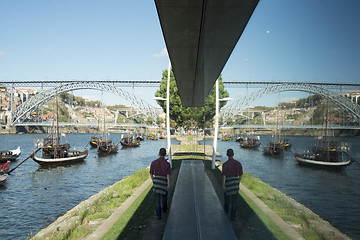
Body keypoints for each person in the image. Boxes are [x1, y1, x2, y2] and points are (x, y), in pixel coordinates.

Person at [150, 148, 171, 219]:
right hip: (164, 181)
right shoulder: (167, 164)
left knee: (157, 200)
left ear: (159, 153)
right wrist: (168, 184)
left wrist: (153, 180)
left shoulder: (154, 162)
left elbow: (151, 173)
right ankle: (164, 209)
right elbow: (168, 174)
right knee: (164, 197)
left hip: (156, 181)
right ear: (165, 154)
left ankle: (158, 215)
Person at [222, 148, 243, 220]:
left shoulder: (225, 165)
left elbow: (224, 175)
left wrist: (223, 185)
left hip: (228, 182)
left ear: (227, 155)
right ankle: (233, 216)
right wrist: (238, 182)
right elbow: (240, 174)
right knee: (234, 200)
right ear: (233, 154)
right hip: (235, 182)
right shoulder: (238, 163)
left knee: (227, 200)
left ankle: (226, 213)